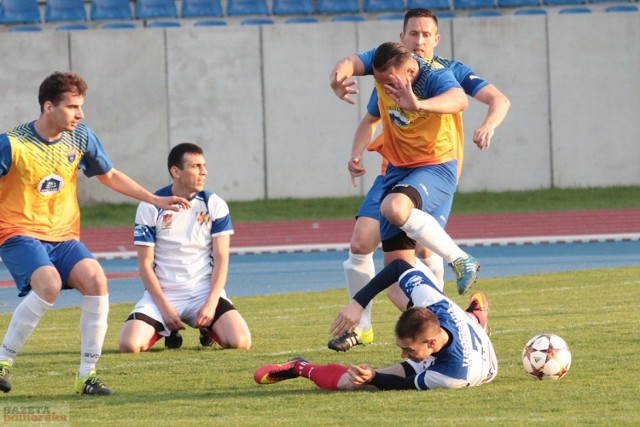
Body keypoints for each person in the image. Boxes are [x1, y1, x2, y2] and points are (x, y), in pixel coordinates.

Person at [328, 9, 510, 352]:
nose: (420, 40)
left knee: (421, 244)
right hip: (393, 171)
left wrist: (489, 124)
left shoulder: (447, 73)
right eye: (413, 34)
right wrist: (335, 80)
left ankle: (457, 277)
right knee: (375, 256)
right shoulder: (388, 71)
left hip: (435, 168)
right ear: (402, 38)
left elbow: (489, 100)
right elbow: (354, 74)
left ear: (436, 39)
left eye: (426, 35)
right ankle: (375, 326)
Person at [0, 72, 190, 395]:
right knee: (49, 284)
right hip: (19, 233)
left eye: (81, 106)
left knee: (97, 280)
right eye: (73, 107)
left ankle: (86, 377)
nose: (80, 114)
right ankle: (3, 361)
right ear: (49, 107)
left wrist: (156, 199)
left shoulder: (81, 137)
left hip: (64, 238)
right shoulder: (12, 144)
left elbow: (110, 175)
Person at [254, 259, 496, 391]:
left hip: (466, 364)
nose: (403, 354)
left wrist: (373, 377)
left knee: (352, 384)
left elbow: (400, 385)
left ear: (431, 342)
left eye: (409, 350)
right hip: (466, 336)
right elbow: (399, 266)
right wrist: (359, 303)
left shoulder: (450, 376)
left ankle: (299, 367)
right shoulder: (436, 305)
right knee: (395, 290)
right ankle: (474, 318)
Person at [118, 143, 251, 353]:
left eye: (204, 166)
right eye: (196, 166)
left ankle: (207, 329)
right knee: (129, 345)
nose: (204, 172)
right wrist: (164, 307)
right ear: (176, 172)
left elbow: (221, 259)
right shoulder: (150, 207)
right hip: (164, 295)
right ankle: (166, 329)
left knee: (241, 341)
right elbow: (145, 264)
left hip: (203, 293)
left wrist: (211, 303)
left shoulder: (215, 204)